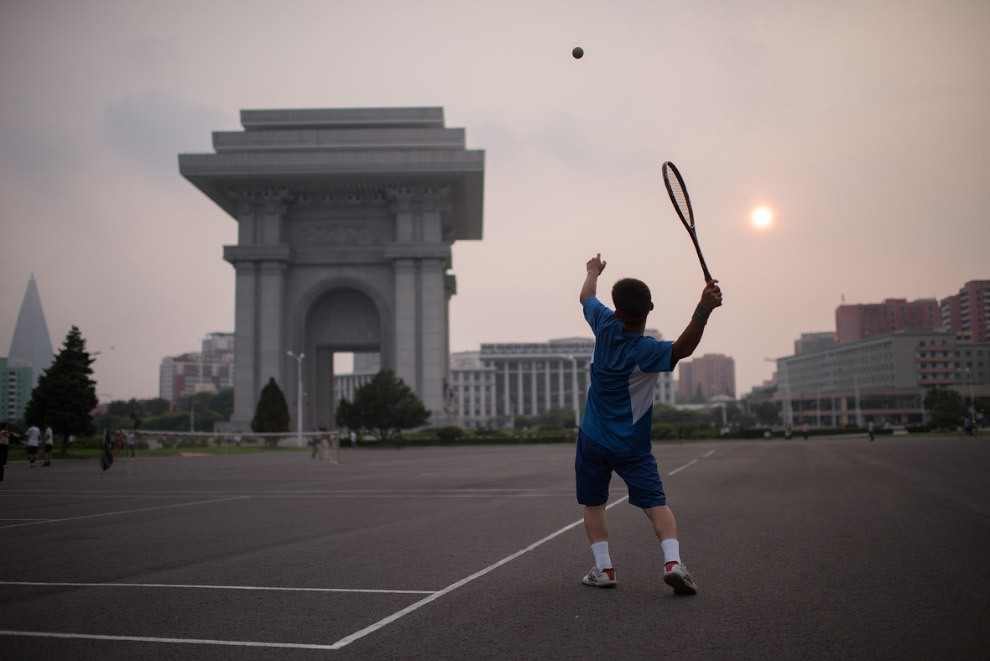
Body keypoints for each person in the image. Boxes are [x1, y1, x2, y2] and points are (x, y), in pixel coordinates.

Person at [576, 253, 722, 595]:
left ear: (616, 310)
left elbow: (586, 296)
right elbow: (683, 349)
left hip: (593, 438)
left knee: (594, 503)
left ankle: (604, 568)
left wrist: (592, 271)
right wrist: (703, 309)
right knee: (656, 504)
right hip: (632, 444)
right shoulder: (646, 350)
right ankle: (673, 563)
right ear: (650, 308)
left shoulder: (604, 324)